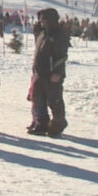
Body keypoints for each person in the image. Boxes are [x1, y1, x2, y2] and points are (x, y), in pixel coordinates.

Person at [28, 8, 69, 137]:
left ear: (50, 20)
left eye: (43, 19)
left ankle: (58, 123)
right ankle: (42, 123)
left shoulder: (57, 35)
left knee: (54, 100)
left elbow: (61, 56)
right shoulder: (43, 34)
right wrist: (36, 30)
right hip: (40, 72)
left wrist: (58, 72)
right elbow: (39, 50)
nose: (41, 21)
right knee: (38, 99)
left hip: (52, 74)